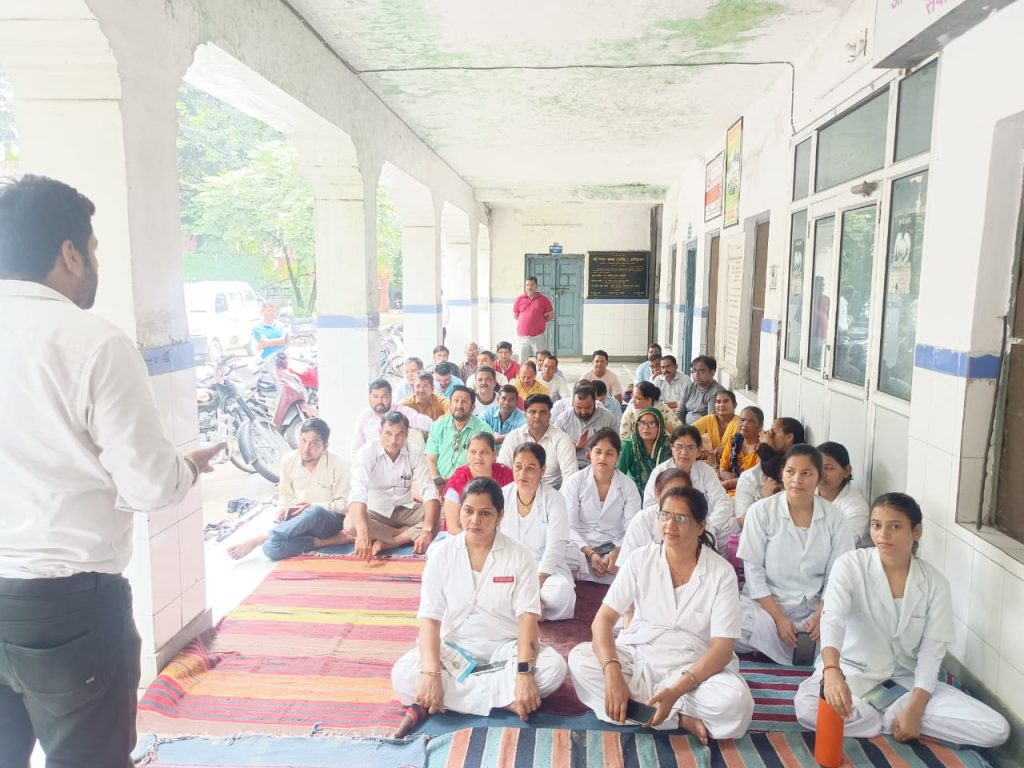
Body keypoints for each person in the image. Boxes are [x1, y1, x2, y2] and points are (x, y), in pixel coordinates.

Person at [0, 174, 227, 765]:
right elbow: (150, 484)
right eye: (94, 248)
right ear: (70, 253)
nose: (96, 262)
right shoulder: (92, 343)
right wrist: (186, 467)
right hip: (67, 608)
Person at [794, 493, 1009, 747]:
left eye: (895, 527)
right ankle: (888, 722)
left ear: (916, 532)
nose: (883, 535)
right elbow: (833, 620)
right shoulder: (850, 565)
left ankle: (894, 718)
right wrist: (831, 672)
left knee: (996, 729)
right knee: (807, 707)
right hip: (850, 674)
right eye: (876, 525)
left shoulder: (934, 583)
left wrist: (915, 709)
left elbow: (932, 652)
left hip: (905, 684)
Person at [568, 487, 754, 743]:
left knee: (737, 703)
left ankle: (640, 711)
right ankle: (679, 719)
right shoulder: (640, 559)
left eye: (681, 518)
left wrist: (676, 690)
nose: (670, 525)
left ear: (700, 525)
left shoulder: (721, 572)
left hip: (694, 670)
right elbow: (603, 620)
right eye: (665, 515)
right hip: (640, 658)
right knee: (580, 659)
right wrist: (612, 673)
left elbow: (722, 650)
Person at [391, 478, 568, 720]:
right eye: (469, 511)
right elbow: (430, 620)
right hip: (454, 648)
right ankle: (505, 702)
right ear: (459, 510)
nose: (475, 520)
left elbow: (528, 619)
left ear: (500, 516)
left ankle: (456, 698)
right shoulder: (441, 555)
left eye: (485, 513)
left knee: (553, 669)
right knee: (403, 675)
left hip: (505, 648)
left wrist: (523, 673)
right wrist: (431, 675)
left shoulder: (519, 556)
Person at [735, 445, 855, 666]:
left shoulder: (835, 518)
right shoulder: (760, 511)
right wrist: (779, 618)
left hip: (815, 609)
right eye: (790, 472)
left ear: (819, 477)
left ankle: (779, 649)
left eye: (806, 473)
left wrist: (821, 615)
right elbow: (753, 572)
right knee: (731, 621)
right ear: (782, 473)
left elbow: (839, 575)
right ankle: (796, 648)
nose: (797, 480)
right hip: (766, 608)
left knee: (856, 625)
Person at [227, 418, 351, 560]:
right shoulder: (288, 460)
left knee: (314, 511)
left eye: (314, 443)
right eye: (303, 441)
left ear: (325, 445)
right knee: (271, 548)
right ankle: (332, 541)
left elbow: (344, 506)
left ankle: (259, 539)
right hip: (299, 521)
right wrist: (283, 509)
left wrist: (313, 505)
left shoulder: (339, 464)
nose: (306, 449)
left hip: (327, 520)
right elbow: (285, 494)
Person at [344, 412, 441, 558]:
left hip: (406, 508)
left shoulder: (414, 452)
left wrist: (427, 530)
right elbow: (357, 492)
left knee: (438, 518)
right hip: (376, 511)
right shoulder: (366, 452)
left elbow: (429, 491)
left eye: (399, 434)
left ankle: (390, 542)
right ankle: (404, 534)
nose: (393, 440)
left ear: (407, 434)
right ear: (380, 432)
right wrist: (362, 532)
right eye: (388, 433)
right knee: (351, 524)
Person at [500, 444, 576, 620]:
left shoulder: (555, 499)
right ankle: (532, 609)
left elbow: (556, 546)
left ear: (542, 470)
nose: (522, 473)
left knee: (561, 592)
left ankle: (523, 607)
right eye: (518, 467)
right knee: (490, 584)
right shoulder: (501, 496)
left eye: (530, 468)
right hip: (509, 568)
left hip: (544, 572)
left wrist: (536, 584)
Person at [560, 429, 642, 583]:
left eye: (609, 453)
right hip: (580, 545)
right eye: (598, 452)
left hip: (614, 545)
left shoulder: (628, 486)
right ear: (589, 454)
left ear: (618, 456)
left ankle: (590, 572)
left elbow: (632, 528)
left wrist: (617, 551)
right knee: (557, 551)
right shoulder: (575, 482)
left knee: (639, 557)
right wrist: (589, 553)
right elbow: (568, 526)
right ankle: (597, 571)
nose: (603, 457)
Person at [642, 426, 736, 552]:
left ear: (698, 451)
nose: (684, 453)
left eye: (690, 447)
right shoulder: (660, 472)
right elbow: (649, 506)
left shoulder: (706, 471)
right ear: (671, 448)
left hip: (703, 527)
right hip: (669, 527)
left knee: (733, 527)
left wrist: (705, 528)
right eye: (679, 447)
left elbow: (722, 503)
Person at [499, 394, 578, 489]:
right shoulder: (514, 437)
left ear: (549, 415)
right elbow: (502, 469)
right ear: (525, 415)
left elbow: (570, 476)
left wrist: (558, 497)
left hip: (552, 490)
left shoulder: (562, 439)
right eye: (532, 412)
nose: (537, 416)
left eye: (543, 412)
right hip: (518, 488)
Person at [734, 417, 805, 522]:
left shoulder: (805, 476)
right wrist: (763, 498)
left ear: (789, 437)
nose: (768, 437)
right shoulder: (749, 477)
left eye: (773, 433)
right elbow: (743, 522)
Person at [441, 433, 514, 533]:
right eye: (473, 452)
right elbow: (453, 527)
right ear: (467, 454)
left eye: (484, 452)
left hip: (502, 534)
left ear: (494, 454)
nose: (478, 457)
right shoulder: (459, 478)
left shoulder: (505, 474)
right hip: (463, 536)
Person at [619, 468, 691, 561]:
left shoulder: (696, 520)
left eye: (682, 494)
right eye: (670, 494)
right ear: (657, 494)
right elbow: (625, 564)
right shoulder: (641, 520)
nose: (675, 499)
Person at [425, 386, 492, 484]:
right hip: (439, 483)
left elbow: (484, 465)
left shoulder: (484, 430)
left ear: (472, 407)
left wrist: (457, 484)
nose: (459, 405)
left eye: (464, 401)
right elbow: (430, 460)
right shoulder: (438, 426)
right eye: (456, 401)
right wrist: (436, 480)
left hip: (469, 485)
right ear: (450, 404)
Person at [552, 384, 620, 468]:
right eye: (579, 407)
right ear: (573, 403)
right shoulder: (562, 420)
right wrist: (577, 447)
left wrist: (595, 456)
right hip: (571, 467)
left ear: (595, 402)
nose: (583, 411)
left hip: (600, 466)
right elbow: (555, 453)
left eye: (588, 407)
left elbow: (616, 448)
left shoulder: (609, 419)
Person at [816, 441, 870, 547]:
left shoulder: (856, 506)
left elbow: (840, 544)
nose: (821, 474)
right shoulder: (805, 494)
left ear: (846, 471)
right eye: (817, 467)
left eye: (828, 468)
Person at [353, 379, 432, 451]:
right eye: (375, 397)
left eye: (384, 397)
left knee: (415, 434)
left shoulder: (402, 411)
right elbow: (357, 449)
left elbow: (429, 423)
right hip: (374, 459)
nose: (380, 401)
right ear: (369, 398)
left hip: (402, 458)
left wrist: (406, 423)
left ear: (391, 396)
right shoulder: (364, 418)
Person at [616, 406, 671, 496]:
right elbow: (618, 474)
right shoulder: (629, 445)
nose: (646, 427)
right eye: (642, 423)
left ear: (660, 426)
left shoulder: (668, 444)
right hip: (634, 494)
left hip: (665, 493)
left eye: (652, 423)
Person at [719, 406, 763, 493]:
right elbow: (723, 469)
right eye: (742, 420)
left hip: (751, 492)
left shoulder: (762, 448)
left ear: (760, 426)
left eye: (751, 421)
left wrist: (729, 483)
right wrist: (734, 481)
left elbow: (755, 479)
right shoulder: (734, 441)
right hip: (730, 488)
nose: (744, 424)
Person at [692, 390, 740, 466]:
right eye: (718, 402)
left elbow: (746, 444)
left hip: (731, 465)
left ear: (735, 405)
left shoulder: (740, 422)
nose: (721, 405)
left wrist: (727, 449)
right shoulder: (708, 419)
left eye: (726, 401)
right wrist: (699, 449)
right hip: (707, 463)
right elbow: (687, 432)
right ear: (715, 405)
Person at [513, 276, 555, 362]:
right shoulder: (519, 299)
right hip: (523, 336)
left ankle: (541, 371)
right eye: (527, 285)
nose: (529, 287)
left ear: (536, 286)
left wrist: (541, 321)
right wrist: (526, 321)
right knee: (522, 360)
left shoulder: (544, 300)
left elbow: (550, 316)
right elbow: (515, 315)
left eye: (532, 285)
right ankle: (523, 371)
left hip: (538, 336)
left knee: (542, 359)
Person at [676, 356, 722, 425]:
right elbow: (680, 412)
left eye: (701, 371)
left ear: (712, 372)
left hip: (702, 429)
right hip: (684, 427)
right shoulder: (689, 387)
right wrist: (678, 427)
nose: (696, 375)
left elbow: (711, 420)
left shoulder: (716, 392)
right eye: (694, 371)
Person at [253, 299, 289, 364]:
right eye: (268, 311)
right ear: (263, 311)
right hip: (265, 362)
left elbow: (285, 341)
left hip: (281, 362)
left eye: (273, 311)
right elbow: (264, 342)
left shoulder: (280, 325)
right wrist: (280, 341)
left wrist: (267, 343)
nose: (271, 313)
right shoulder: (257, 327)